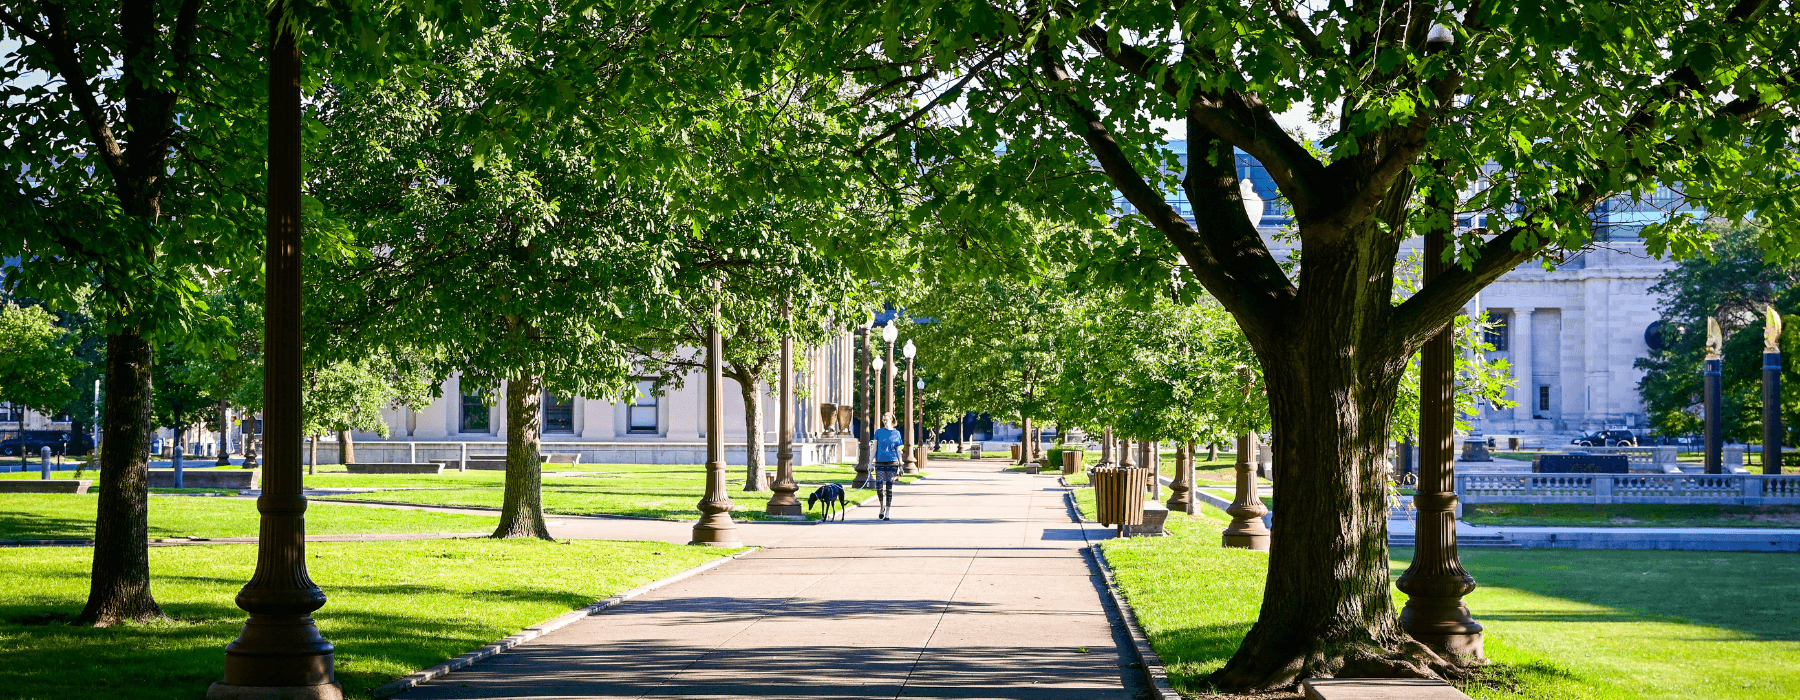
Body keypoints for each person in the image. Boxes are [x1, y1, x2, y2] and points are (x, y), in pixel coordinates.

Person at [872, 412, 904, 520]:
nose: (884, 421)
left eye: (886, 419)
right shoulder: (878, 432)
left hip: (892, 462)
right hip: (880, 462)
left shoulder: (897, 433)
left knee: (889, 488)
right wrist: (869, 462)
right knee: (879, 486)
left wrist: (901, 464)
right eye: (883, 419)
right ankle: (882, 507)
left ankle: (888, 512)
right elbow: (874, 448)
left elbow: (899, 450)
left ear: (891, 419)